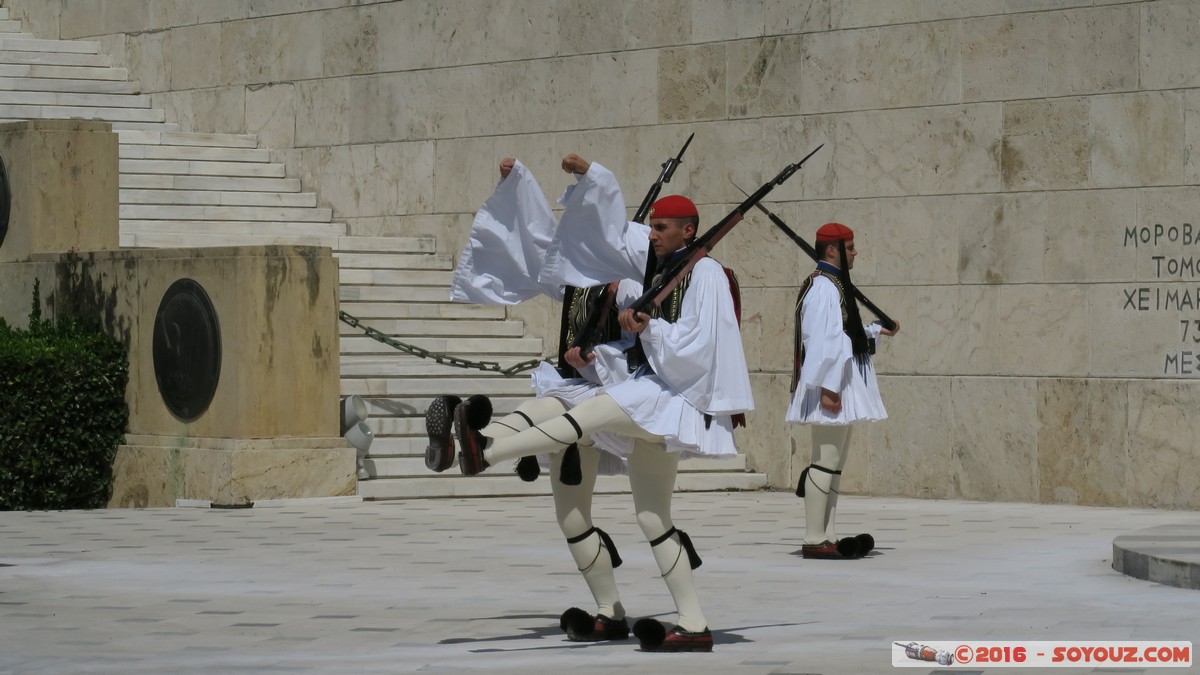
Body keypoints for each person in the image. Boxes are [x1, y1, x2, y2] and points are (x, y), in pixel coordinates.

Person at [430, 174, 752, 653]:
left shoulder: (706, 275)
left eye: (664, 228)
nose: (655, 234)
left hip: (672, 399)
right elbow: (586, 258)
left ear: (689, 230)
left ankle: (489, 449)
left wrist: (648, 330)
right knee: (645, 512)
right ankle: (645, 617)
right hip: (637, 387)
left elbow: (699, 347)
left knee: (594, 415)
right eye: (653, 227)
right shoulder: (643, 274)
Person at [787, 222, 899, 559]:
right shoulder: (823, 288)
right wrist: (829, 389)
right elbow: (823, 343)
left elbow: (845, 335)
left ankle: (827, 534)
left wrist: (875, 330)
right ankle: (814, 537)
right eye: (849, 247)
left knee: (833, 464)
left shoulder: (834, 284)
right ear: (832, 250)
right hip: (830, 383)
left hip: (837, 381)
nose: (855, 252)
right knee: (824, 462)